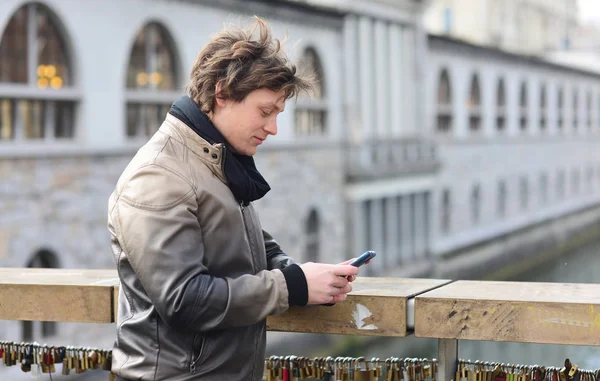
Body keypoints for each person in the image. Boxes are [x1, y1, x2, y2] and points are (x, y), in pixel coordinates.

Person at [107, 16, 360, 381]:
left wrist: (296, 270)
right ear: (222, 93)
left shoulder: (213, 158)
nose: (273, 128)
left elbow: (245, 244)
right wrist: (294, 286)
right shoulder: (158, 176)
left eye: (278, 114)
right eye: (265, 111)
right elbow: (184, 300)